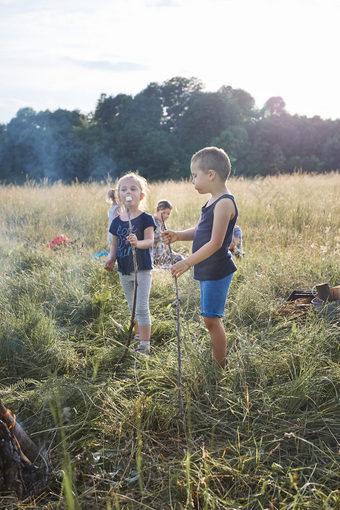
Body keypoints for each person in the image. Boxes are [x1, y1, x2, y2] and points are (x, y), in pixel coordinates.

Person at [162, 147, 238, 369]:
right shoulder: (212, 200)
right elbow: (201, 230)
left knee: (212, 320)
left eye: (195, 176)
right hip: (207, 268)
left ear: (211, 174)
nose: (193, 181)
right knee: (209, 318)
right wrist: (178, 235)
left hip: (217, 269)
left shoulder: (224, 203)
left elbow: (215, 243)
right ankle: (217, 357)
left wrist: (186, 262)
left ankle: (220, 367)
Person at [104, 173, 156, 355]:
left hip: (141, 269)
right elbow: (114, 244)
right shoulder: (117, 221)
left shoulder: (146, 219)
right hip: (124, 269)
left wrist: (138, 243)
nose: (128, 192)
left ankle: (145, 346)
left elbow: (150, 241)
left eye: (133, 189)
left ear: (141, 195)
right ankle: (137, 336)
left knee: (141, 307)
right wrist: (111, 258)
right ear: (118, 195)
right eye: (124, 189)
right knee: (132, 307)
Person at [153, 200, 183, 268]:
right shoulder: (152, 223)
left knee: (181, 259)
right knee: (174, 266)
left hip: (163, 256)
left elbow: (165, 245)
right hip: (155, 257)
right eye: (163, 213)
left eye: (168, 214)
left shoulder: (163, 225)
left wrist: (174, 254)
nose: (166, 216)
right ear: (157, 211)